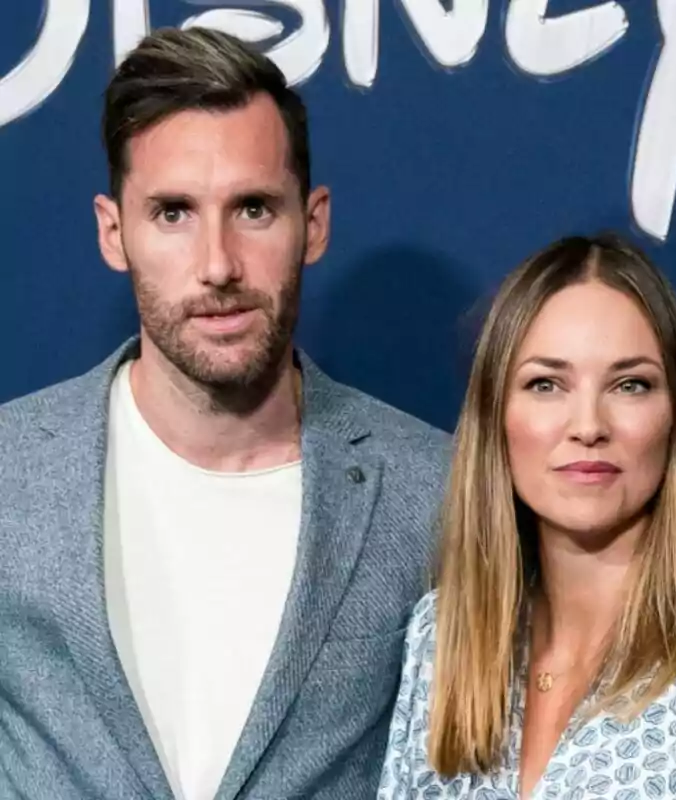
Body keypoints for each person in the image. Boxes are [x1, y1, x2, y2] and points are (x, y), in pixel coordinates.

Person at [0, 27, 450, 799]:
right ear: (115, 232)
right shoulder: (10, 472)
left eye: (252, 209)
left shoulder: (433, 490)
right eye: (173, 213)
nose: (217, 266)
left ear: (314, 223)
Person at [377, 234, 676, 798]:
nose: (588, 425)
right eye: (546, 384)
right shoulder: (442, 639)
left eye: (630, 385)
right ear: (496, 416)